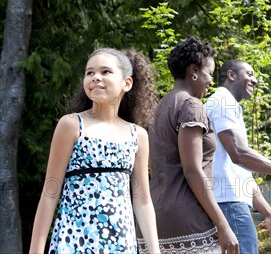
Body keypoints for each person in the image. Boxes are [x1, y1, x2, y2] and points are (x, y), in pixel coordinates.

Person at [29, 48, 160, 254]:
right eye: (89, 72)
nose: (95, 77)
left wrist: (155, 252)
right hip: (73, 241)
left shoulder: (138, 135)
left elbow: (142, 199)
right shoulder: (71, 125)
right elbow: (50, 191)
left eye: (105, 72)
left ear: (127, 83)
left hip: (121, 244)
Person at [137, 36, 239, 254]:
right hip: (189, 221)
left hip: (155, 219)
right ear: (194, 70)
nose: (211, 81)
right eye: (209, 74)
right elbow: (192, 171)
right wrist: (223, 225)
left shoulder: (158, 108)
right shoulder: (191, 105)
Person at [205, 59, 271, 254]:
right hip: (228, 203)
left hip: (232, 203)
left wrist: (269, 215)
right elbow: (239, 154)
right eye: (249, 74)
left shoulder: (229, 106)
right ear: (231, 75)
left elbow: (242, 172)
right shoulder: (222, 102)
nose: (255, 80)